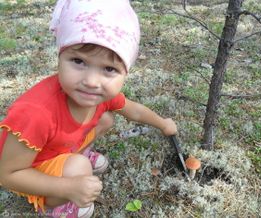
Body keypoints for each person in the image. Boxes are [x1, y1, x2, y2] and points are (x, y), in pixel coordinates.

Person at [0, 0, 177, 217]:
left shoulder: (98, 96)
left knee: (106, 119)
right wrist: (68, 188)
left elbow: (135, 111)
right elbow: (9, 174)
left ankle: (74, 156)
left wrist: (163, 124)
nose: (92, 81)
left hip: (57, 148)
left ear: (125, 74)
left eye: (109, 69)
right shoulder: (36, 113)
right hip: (29, 168)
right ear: (59, 57)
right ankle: (56, 206)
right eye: (78, 61)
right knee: (78, 168)